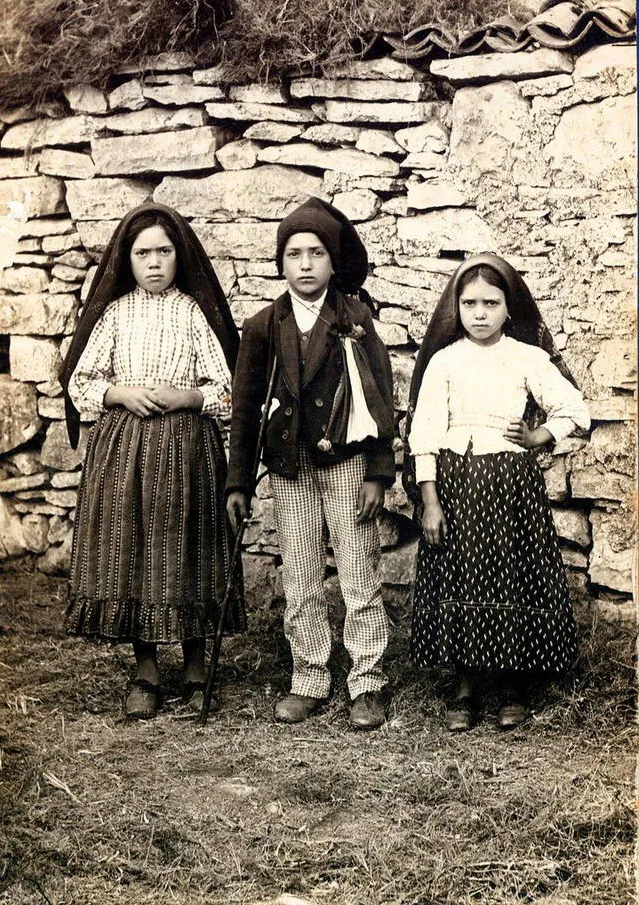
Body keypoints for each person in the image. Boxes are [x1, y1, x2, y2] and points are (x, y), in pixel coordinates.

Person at [59, 203, 245, 719]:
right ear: (128, 259)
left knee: (188, 547)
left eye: (164, 251)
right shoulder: (116, 314)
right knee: (133, 549)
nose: (155, 262)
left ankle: (194, 662)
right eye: (143, 253)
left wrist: (188, 398)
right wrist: (120, 392)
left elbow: (227, 389)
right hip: (125, 449)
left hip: (187, 449)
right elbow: (81, 382)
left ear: (179, 256)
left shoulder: (192, 312)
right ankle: (145, 669)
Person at [226, 197, 395, 729]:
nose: (305, 264)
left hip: (346, 462)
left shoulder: (355, 318)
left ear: (332, 261)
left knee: (357, 568)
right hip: (289, 465)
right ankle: (309, 675)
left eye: (316, 253)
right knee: (299, 573)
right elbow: (245, 407)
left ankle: (367, 680)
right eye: (294, 253)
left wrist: (377, 470)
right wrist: (239, 482)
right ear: (281, 262)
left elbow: (381, 398)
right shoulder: (263, 326)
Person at [404, 253, 590, 732]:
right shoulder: (444, 361)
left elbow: (574, 409)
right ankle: (465, 685)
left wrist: (538, 437)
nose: (480, 313)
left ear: (510, 307)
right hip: (455, 484)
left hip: (511, 488)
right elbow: (424, 432)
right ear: (456, 308)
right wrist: (430, 501)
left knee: (509, 574)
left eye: (491, 302)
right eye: (469, 303)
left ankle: (511, 684)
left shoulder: (527, 357)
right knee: (462, 576)